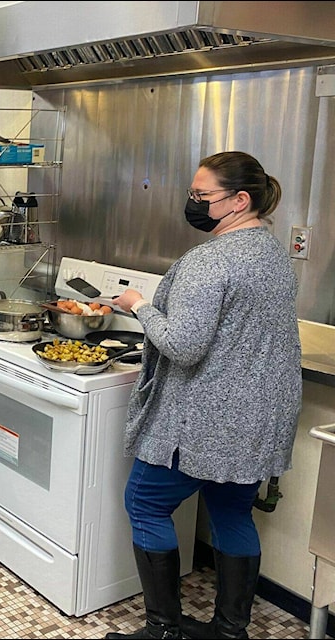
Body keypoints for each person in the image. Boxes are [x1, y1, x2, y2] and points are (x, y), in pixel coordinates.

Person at [105, 151, 301, 640]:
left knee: (145, 504)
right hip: (257, 418)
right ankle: (231, 631)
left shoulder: (209, 261)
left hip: (203, 420)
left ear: (239, 200)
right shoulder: (270, 252)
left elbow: (183, 346)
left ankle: (162, 630)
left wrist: (140, 306)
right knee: (231, 512)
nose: (192, 203)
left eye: (201, 195)